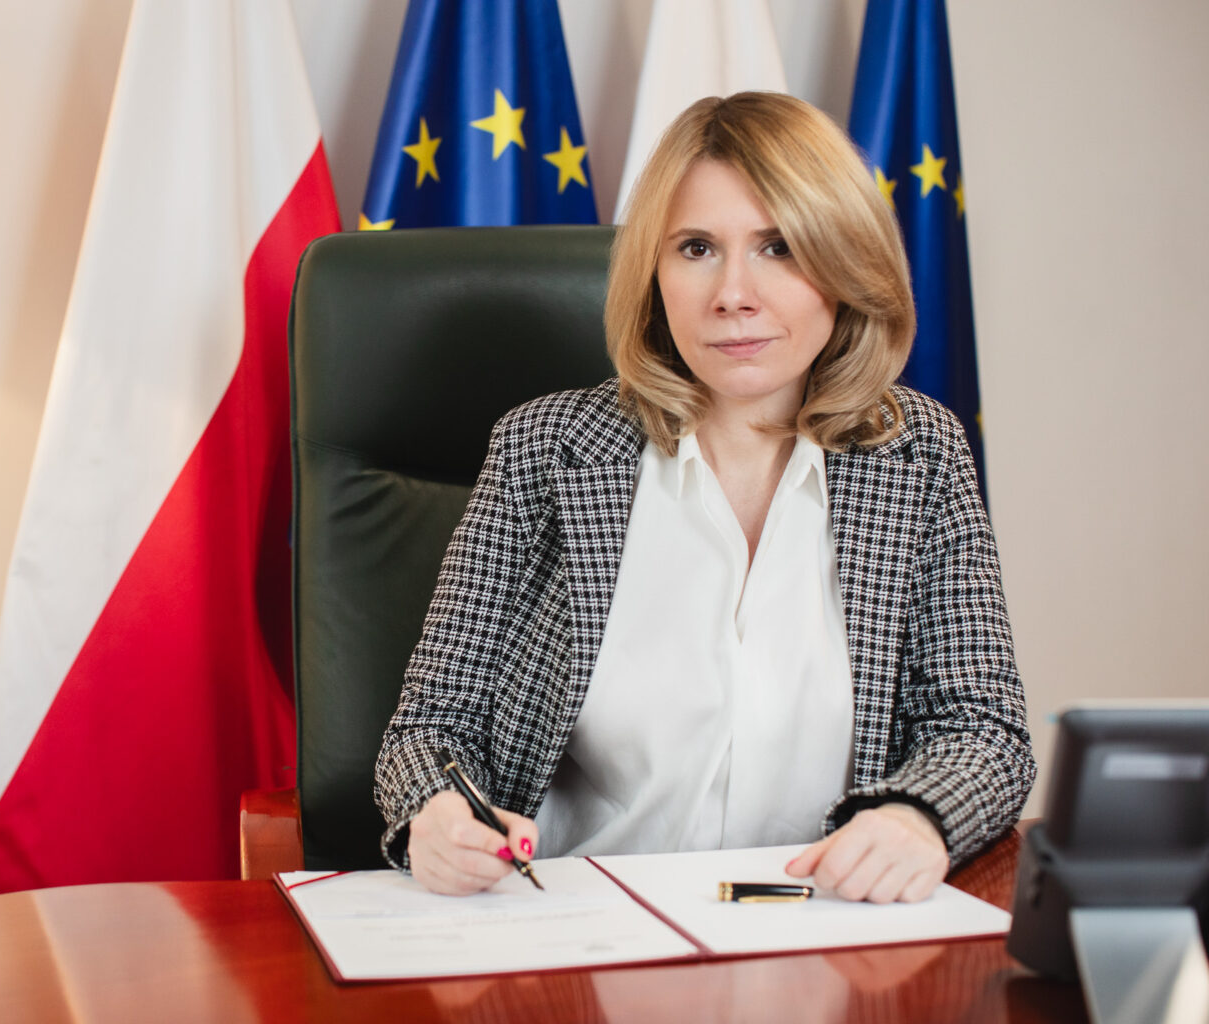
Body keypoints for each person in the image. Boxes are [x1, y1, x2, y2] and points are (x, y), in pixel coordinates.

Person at [374, 92, 1033, 901]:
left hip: (821, 924)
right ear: (653, 274)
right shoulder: (545, 448)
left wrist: (915, 817)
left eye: (779, 247)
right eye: (696, 248)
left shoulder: (918, 454)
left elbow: (982, 729)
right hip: (577, 924)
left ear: (845, 263)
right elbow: (431, 727)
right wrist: (435, 813)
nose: (733, 294)